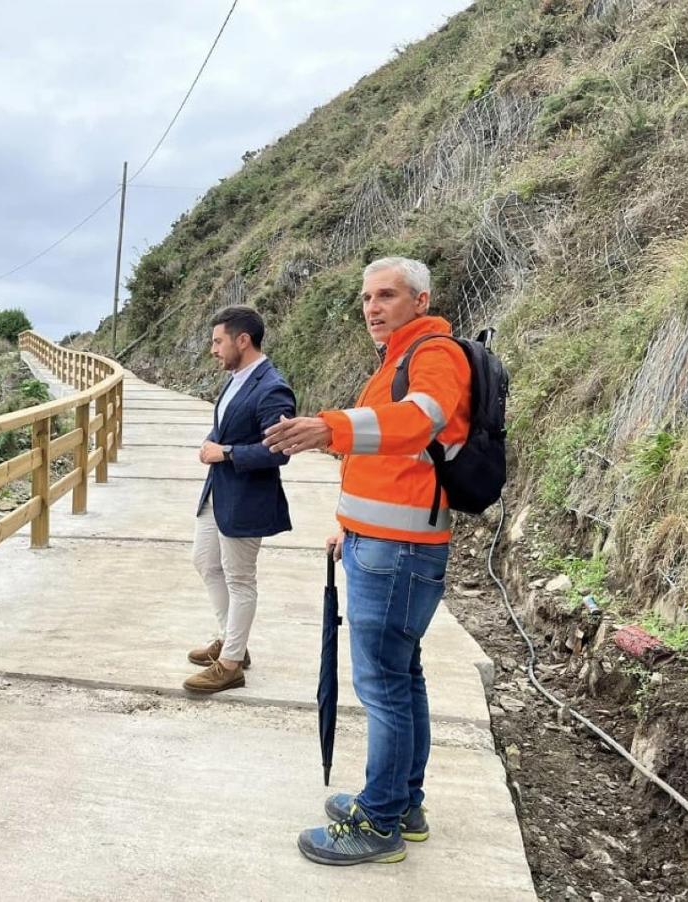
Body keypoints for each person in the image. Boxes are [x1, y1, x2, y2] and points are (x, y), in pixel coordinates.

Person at [264, 257, 471, 866]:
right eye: (365, 298)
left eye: (387, 296)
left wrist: (328, 429)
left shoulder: (436, 354)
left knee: (383, 687)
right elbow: (392, 463)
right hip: (380, 542)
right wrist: (347, 528)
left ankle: (379, 823)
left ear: (421, 299)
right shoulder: (397, 360)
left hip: (398, 552)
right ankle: (402, 805)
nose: (372, 308)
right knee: (402, 680)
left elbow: (416, 424)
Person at [184, 305, 296, 694]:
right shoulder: (236, 378)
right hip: (219, 492)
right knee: (204, 561)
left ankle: (231, 664)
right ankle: (233, 640)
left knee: (239, 578)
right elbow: (228, 426)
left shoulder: (272, 387)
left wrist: (227, 452)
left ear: (242, 340)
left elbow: (280, 451)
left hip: (246, 497)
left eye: (218, 341)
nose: (213, 349)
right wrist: (213, 445)